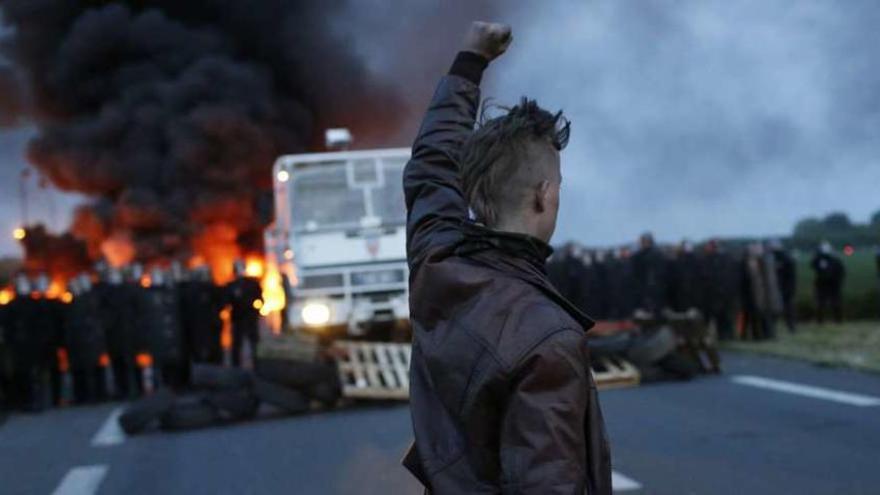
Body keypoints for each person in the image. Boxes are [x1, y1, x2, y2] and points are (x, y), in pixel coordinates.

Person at [402, 22, 611, 494]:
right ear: (544, 195)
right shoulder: (547, 337)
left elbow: (431, 168)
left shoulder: (438, 264)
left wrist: (469, 59)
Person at [225, 260, 262, 367]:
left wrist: (256, 310)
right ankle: (236, 368)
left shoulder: (253, 284)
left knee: (254, 343)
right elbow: (227, 302)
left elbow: (260, 299)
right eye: (237, 268)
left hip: (250, 317)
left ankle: (257, 365)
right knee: (236, 345)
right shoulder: (231, 286)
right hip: (237, 318)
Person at [699, 239, 738, 340]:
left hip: (718, 294)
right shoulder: (723, 258)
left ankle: (725, 336)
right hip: (717, 294)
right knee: (722, 317)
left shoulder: (713, 259)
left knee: (722, 318)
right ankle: (724, 336)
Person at [632, 232, 669, 315]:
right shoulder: (638, 255)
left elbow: (661, 270)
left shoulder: (657, 254)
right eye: (643, 241)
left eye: (645, 241)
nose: (644, 243)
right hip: (644, 285)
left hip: (655, 285)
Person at [810, 241, 845, 323]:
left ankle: (837, 320)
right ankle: (821, 320)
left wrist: (838, 281)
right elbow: (813, 265)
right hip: (822, 284)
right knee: (821, 303)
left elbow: (840, 271)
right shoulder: (819, 259)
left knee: (835, 302)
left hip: (833, 284)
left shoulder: (834, 259)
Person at [770, 240, 797, 332]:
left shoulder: (786, 258)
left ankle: (791, 327)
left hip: (785, 288)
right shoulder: (770, 257)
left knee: (788, 309)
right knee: (774, 309)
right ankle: (772, 327)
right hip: (774, 287)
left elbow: (791, 276)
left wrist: (790, 288)